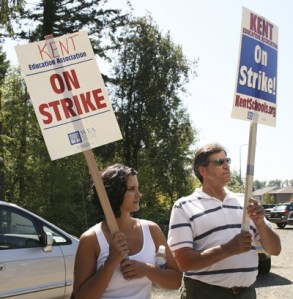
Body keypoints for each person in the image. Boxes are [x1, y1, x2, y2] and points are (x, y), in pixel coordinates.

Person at [167, 143, 281, 299]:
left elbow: (275, 249)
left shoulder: (246, 201)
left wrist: (261, 223)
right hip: (204, 293)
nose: (227, 166)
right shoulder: (184, 206)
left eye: (228, 160)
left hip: (247, 293)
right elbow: (183, 262)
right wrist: (228, 249)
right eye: (220, 162)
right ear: (203, 170)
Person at [73, 163, 182, 299]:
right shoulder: (90, 239)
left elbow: (176, 281)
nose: (139, 194)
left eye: (137, 188)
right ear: (115, 194)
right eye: (131, 189)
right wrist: (110, 263)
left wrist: (147, 270)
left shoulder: (151, 230)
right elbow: (81, 297)